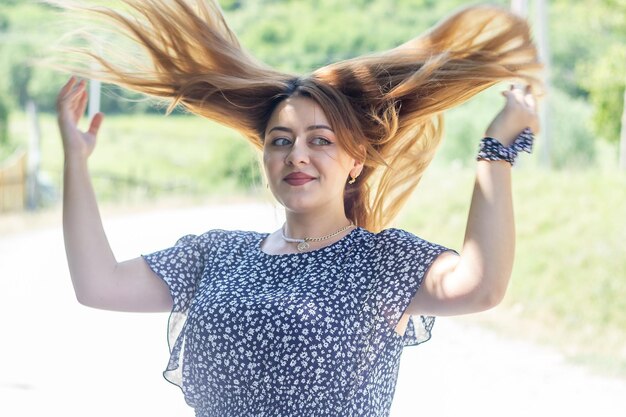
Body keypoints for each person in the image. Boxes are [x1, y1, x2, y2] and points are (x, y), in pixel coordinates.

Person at [54, 1, 542, 416]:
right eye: (280, 141)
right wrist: (75, 160)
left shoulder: (381, 262)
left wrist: (494, 152)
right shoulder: (216, 255)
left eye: (321, 141)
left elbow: (482, 285)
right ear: (265, 158)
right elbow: (99, 284)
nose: (297, 155)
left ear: (355, 162)